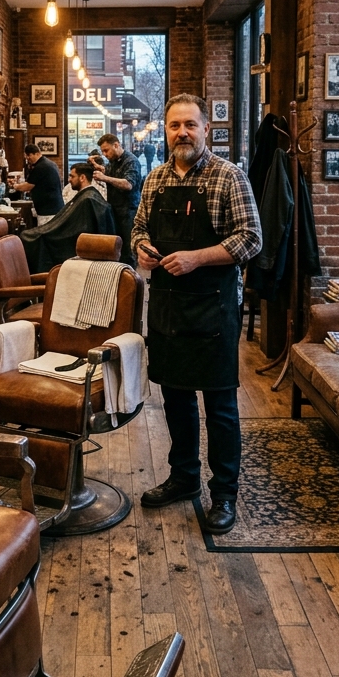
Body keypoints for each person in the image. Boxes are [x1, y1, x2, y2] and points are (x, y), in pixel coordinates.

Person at [132, 94, 262, 534]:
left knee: (220, 406)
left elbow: (251, 239)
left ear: (206, 129)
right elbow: (139, 228)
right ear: (166, 131)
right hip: (168, 305)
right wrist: (141, 250)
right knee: (176, 400)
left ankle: (224, 493)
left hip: (214, 307)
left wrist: (197, 258)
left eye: (190, 124)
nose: (182, 133)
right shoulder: (154, 180)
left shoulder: (229, 177)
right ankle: (184, 477)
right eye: (174, 126)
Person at [22, 162, 116, 272]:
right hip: (65, 236)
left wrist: (44, 233)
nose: (69, 179)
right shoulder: (88, 196)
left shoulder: (87, 200)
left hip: (72, 245)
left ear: (82, 177)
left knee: (29, 238)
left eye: (72, 176)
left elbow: (74, 230)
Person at [95, 133, 142, 265]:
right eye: (102, 151)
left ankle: (132, 280)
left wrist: (105, 178)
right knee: (117, 247)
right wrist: (102, 170)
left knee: (128, 249)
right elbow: (112, 174)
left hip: (128, 211)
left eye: (106, 150)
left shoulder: (131, 161)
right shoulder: (113, 162)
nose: (104, 154)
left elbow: (128, 184)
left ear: (116, 145)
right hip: (115, 209)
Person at [13, 144, 64, 225]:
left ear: (37, 153)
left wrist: (15, 186)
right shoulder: (49, 163)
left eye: (29, 155)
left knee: (45, 234)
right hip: (54, 206)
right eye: (26, 155)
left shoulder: (41, 167)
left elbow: (28, 186)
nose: (27, 158)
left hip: (48, 210)